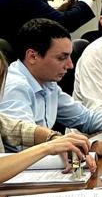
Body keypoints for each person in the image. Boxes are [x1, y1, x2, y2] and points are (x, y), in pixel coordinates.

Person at [0, 18, 102, 156]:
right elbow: (26, 150)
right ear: (32, 56)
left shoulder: (47, 82)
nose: (70, 65)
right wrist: (96, 148)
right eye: (61, 58)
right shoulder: (14, 87)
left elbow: (86, 118)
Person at [0, 52, 96, 182]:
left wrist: (55, 138)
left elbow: (14, 128)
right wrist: (48, 147)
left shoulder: (47, 83)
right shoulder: (16, 85)